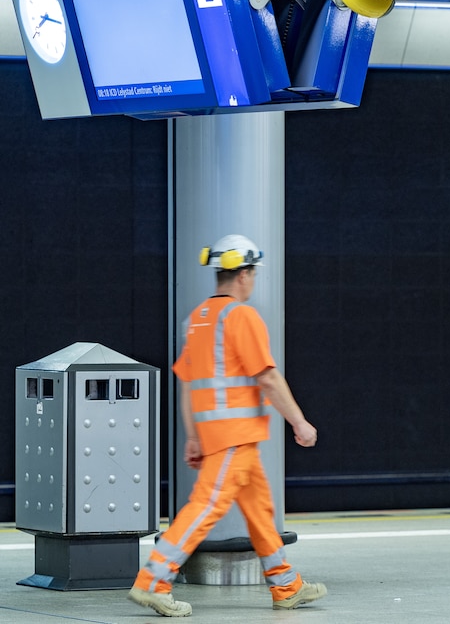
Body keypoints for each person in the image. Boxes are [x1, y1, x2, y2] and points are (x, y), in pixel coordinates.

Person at [128, 234, 326, 617]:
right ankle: (153, 580)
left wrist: (192, 436)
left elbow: (187, 383)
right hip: (234, 436)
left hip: (229, 438)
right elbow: (267, 378)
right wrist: (299, 422)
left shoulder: (196, 320)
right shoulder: (241, 316)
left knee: (260, 513)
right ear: (245, 274)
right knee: (204, 508)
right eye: (253, 273)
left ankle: (285, 586)